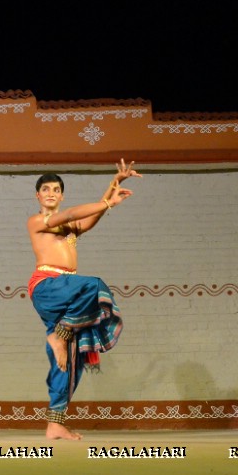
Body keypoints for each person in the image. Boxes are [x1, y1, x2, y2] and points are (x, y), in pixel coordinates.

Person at [27, 160, 139, 440]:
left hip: (67, 291)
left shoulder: (71, 227)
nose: (51, 193)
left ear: (62, 195)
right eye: (45, 189)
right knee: (95, 286)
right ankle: (61, 333)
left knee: (68, 361)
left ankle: (55, 422)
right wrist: (108, 203)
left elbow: (92, 215)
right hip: (48, 286)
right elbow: (78, 212)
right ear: (38, 196)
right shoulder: (38, 220)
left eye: (56, 189)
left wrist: (116, 182)